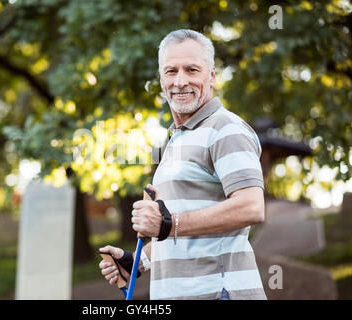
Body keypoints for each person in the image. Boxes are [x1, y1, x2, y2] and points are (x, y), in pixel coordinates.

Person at [99, 29, 267, 300]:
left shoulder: (226, 128)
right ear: (161, 79)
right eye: (171, 71)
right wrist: (136, 262)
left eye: (191, 70)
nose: (180, 81)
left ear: (211, 76)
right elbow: (174, 230)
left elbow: (251, 206)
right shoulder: (176, 139)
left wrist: (169, 223)